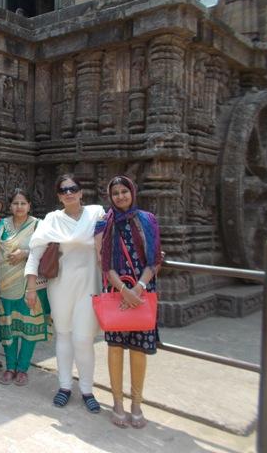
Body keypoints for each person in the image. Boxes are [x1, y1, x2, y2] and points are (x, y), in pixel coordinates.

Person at [24, 173, 104, 413]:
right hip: (60, 286)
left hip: (89, 285)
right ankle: (65, 386)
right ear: (59, 196)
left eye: (73, 189)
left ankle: (87, 390)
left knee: (83, 339)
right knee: (64, 335)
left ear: (81, 192)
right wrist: (30, 288)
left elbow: (116, 240)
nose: (68, 193)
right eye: (63, 190)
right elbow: (35, 253)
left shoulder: (96, 214)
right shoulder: (52, 219)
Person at [94, 175, 161, 429]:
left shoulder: (148, 219)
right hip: (115, 289)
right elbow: (104, 263)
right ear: (110, 197)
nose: (120, 196)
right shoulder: (104, 224)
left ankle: (136, 404)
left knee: (138, 349)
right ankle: (118, 403)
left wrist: (138, 288)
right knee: (115, 348)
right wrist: (124, 290)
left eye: (124, 191)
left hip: (143, 289)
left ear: (132, 192)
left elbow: (154, 260)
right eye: (115, 193)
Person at [0, 189, 50, 387]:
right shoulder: (2, 224)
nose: (19, 207)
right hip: (5, 284)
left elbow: (48, 250)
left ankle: (23, 368)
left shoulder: (38, 225)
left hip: (30, 285)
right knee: (8, 327)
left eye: (23, 203)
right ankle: (10, 367)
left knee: (28, 328)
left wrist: (25, 253)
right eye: (16, 203)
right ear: (10, 206)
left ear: (29, 206)